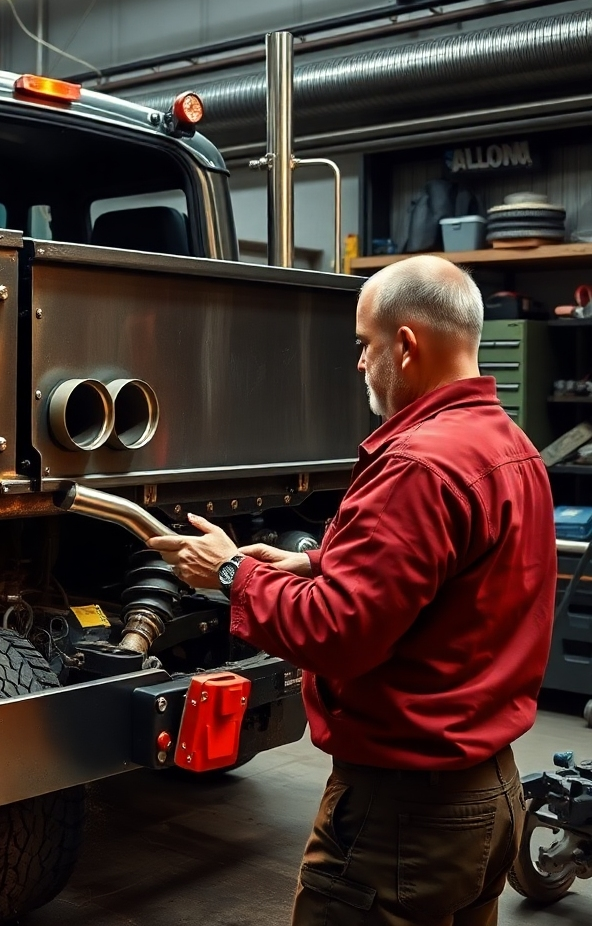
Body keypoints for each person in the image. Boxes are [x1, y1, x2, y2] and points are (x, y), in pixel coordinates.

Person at [148, 254, 556, 926]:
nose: (361, 363)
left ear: (406, 345)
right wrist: (311, 565)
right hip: (491, 800)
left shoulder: (418, 464)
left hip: (404, 818)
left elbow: (338, 635)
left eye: (365, 345)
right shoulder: (510, 447)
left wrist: (230, 574)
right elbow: (459, 584)